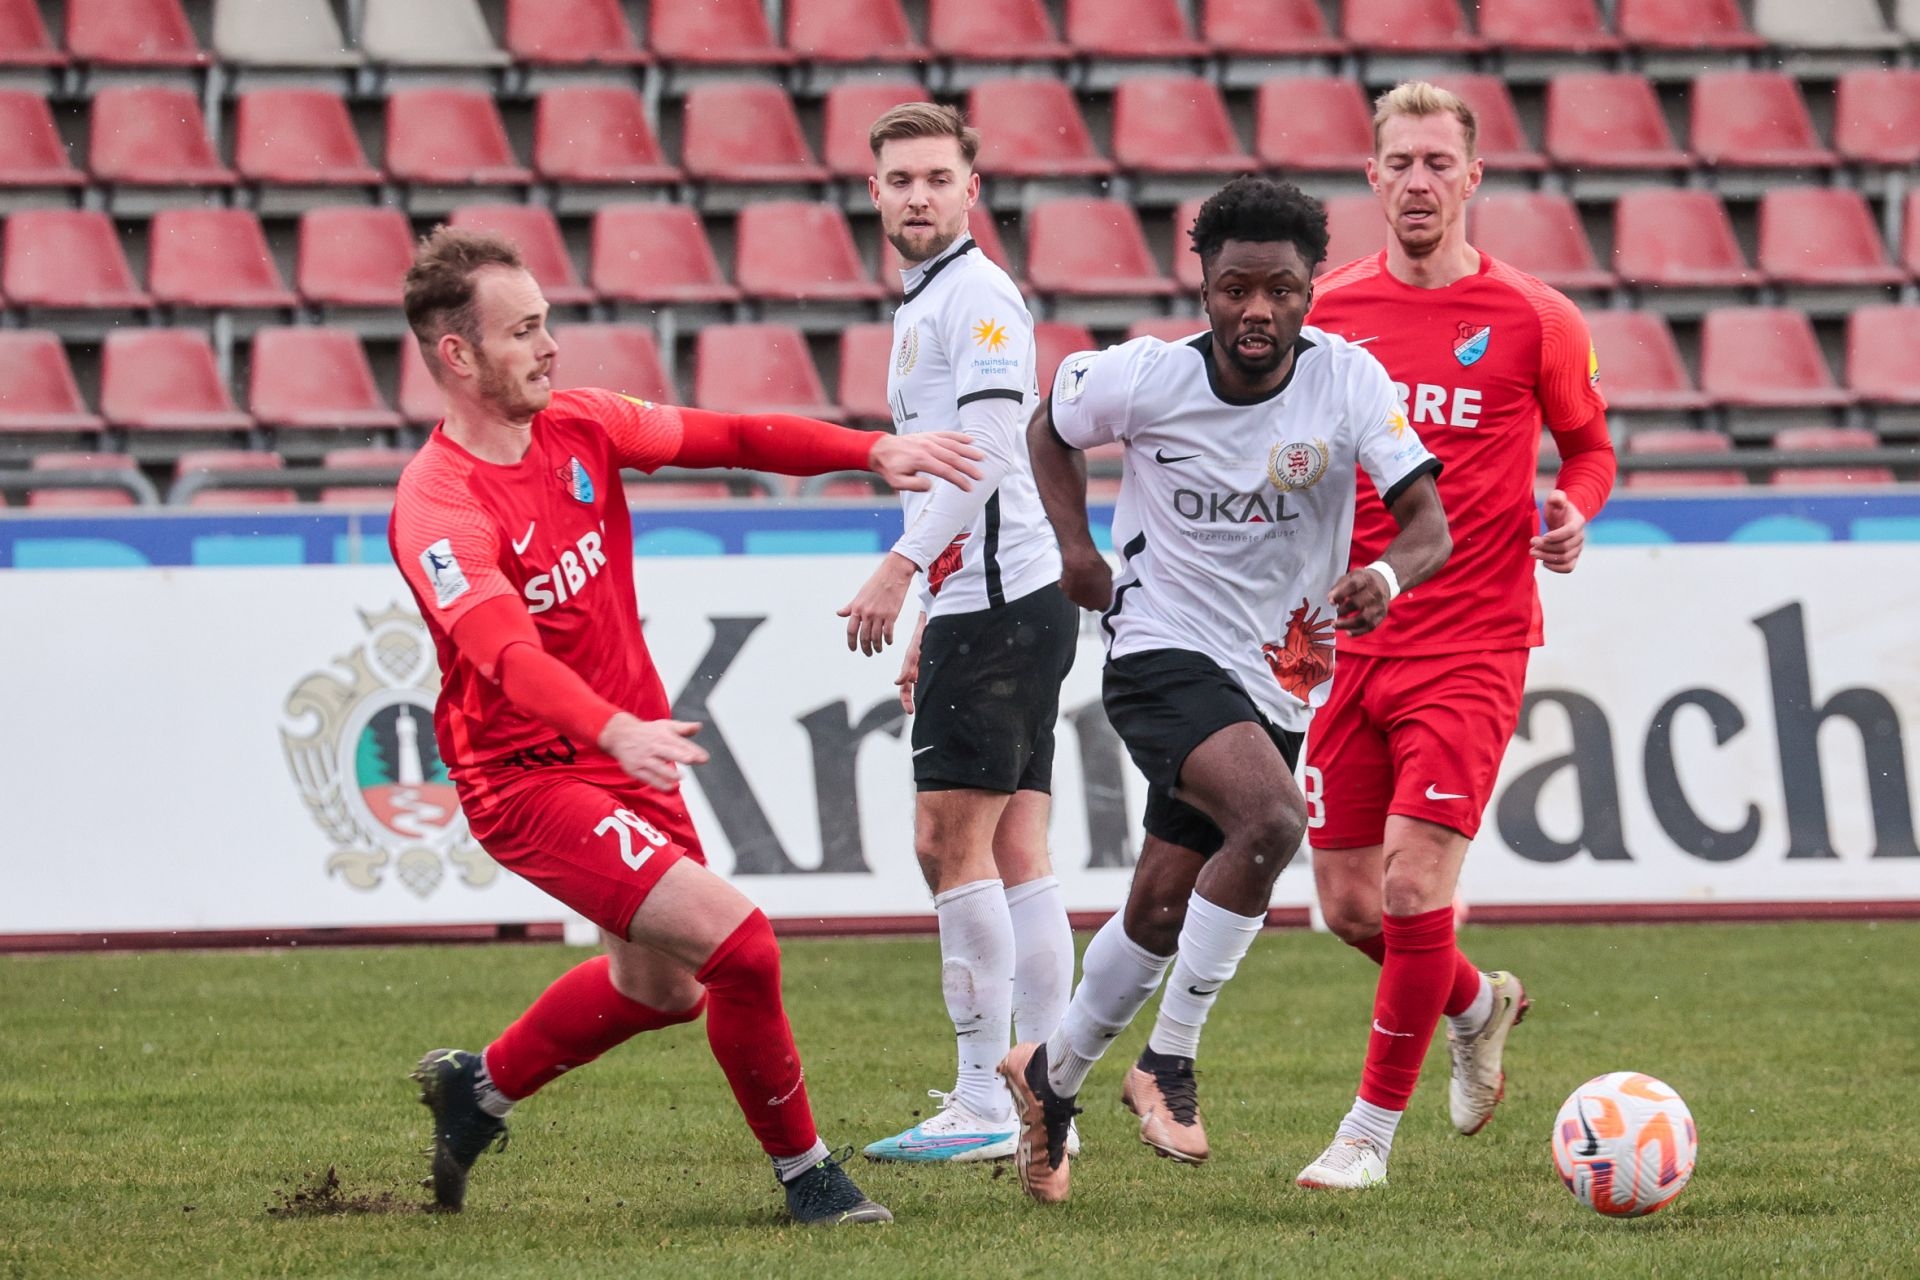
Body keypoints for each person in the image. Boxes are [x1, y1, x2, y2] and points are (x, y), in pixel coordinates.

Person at [389, 226, 985, 1225]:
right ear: (457, 353)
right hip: (528, 776)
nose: (550, 345)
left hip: (626, 750)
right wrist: (610, 728)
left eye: (545, 323)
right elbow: (507, 657)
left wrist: (869, 450)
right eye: (523, 330)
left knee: (664, 989)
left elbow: (737, 437)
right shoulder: (438, 505)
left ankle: (476, 1088)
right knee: (742, 948)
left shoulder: (582, 424)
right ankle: (809, 1178)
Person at [1002, 176, 1452, 1203]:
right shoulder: (1146, 376)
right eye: (1236, 288)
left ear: (1309, 292)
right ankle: (1168, 1060)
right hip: (1159, 646)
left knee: (1161, 906)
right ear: (1203, 288)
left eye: (1281, 290)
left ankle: (1050, 1078)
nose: (1258, 310)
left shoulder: (1348, 381)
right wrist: (1076, 549)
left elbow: (1429, 524)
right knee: (1273, 819)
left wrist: (1386, 578)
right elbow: (1048, 426)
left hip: (1282, 672)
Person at [1295, 81, 1616, 1191]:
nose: (1420, 181)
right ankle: (1478, 1003)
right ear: (1373, 177)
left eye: (1439, 162)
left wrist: (1575, 508)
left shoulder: (1537, 317)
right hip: (1347, 641)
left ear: (1473, 177)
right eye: (1401, 162)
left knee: (1415, 883)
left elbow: (1589, 447)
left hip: (1474, 639)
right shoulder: (1326, 312)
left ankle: (1365, 1138)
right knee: (1348, 905)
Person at [836, 103, 1080, 1164]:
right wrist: (936, 605)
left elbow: (982, 452)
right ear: (875, 192)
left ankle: (984, 1098)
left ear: (971, 191)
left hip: (1002, 603)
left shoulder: (975, 295)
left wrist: (902, 570)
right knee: (1015, 847)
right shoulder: (934, 297)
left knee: (948, 844)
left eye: (938, 177)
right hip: (999, 599)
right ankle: (1047, 1088)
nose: (919, 195)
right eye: (900, 180)